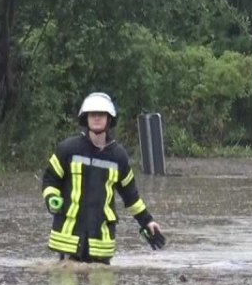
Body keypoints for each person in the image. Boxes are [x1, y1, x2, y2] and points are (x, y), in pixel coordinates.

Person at [41, 92, 166, 263]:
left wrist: (147, 222)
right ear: (85, 118)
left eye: (101, 114)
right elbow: (50, 179)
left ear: (109, 119)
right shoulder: (67, 149)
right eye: (93, 114)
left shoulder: (118, 156)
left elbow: (131, 197)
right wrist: (52, 198)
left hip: (101, 243)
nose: (97, 118)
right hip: (68, 240)